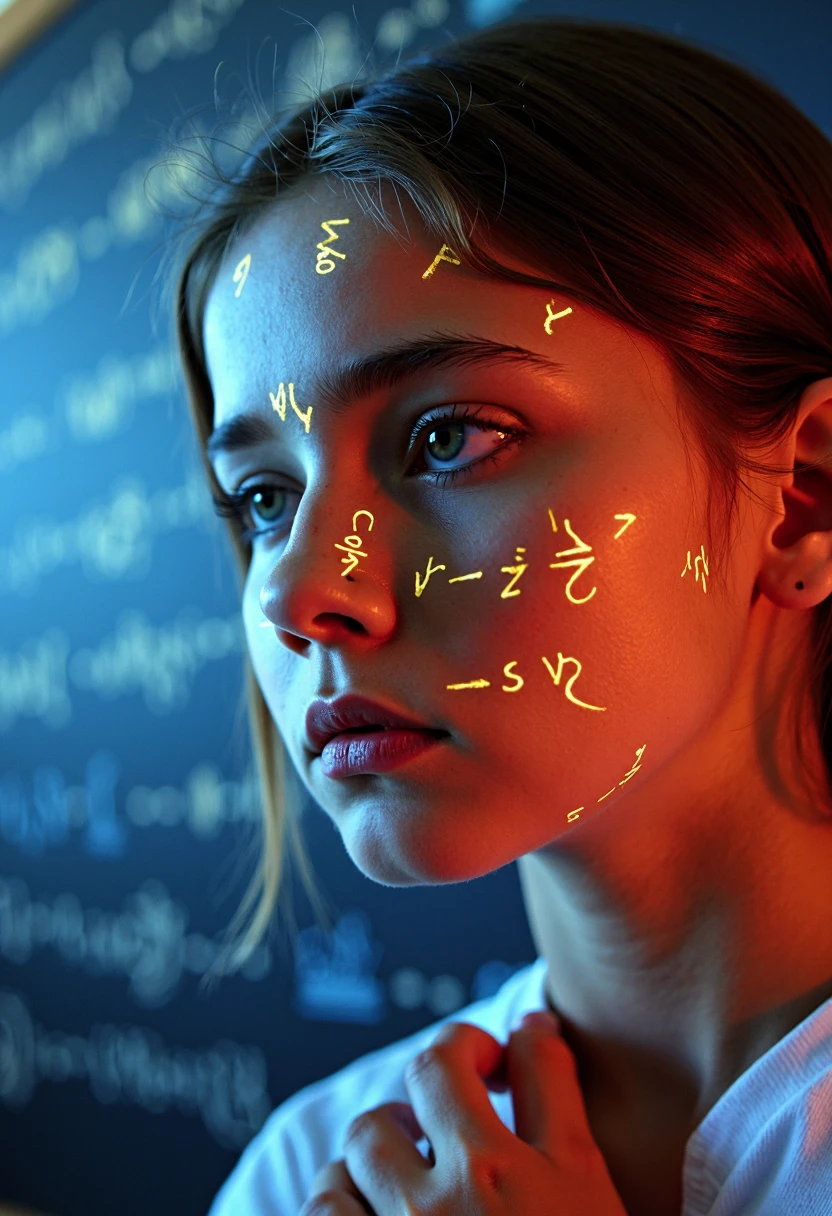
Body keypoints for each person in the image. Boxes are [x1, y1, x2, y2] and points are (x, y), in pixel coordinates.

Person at [171, 14, 832, 1214]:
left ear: (802, 499)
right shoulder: (305, 1175)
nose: (298, 591)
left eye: (449, 437)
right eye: (264, 498)